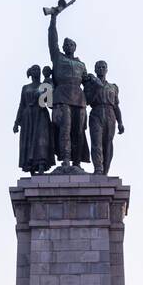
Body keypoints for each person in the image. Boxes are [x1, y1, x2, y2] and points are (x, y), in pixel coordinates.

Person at [46, 10, 90, 170]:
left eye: (71, 44)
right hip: (62, 97)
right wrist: (53, 19)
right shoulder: (58, 57)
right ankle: (65, 158)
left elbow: (87, 82)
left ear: (75, 47)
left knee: (78, 131)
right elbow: (52, 40)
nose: (68, 46)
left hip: (79, 99)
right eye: (66, 45)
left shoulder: (81, 64)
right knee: (65, 129)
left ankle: (77, 161)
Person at [84, 60, 123, 175]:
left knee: (108, 143)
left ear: (106, 69)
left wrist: (120, 122)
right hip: (96, 112)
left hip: (110, 114)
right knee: (97, 142)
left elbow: (116, 106)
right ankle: (98, 169)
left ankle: (105, 171)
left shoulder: (113, 87)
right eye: (98, 67)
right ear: (95, 70)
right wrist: (96, 86)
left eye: (103, 67)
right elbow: (87, 101)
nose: (101, 69)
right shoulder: (90, 84)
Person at [14, 65, 54, 174]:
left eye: (38, 70)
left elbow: (49, 103)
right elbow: (22, 105)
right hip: (28, 117)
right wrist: (16, 122)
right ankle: (31, 167)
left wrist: (49, 88)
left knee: (41, 139)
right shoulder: (25, 88)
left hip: (41, 114)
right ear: (30, 73)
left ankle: (41, 164)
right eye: (34, 70)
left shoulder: (44, 85)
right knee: (29, 140)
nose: (37, 72)